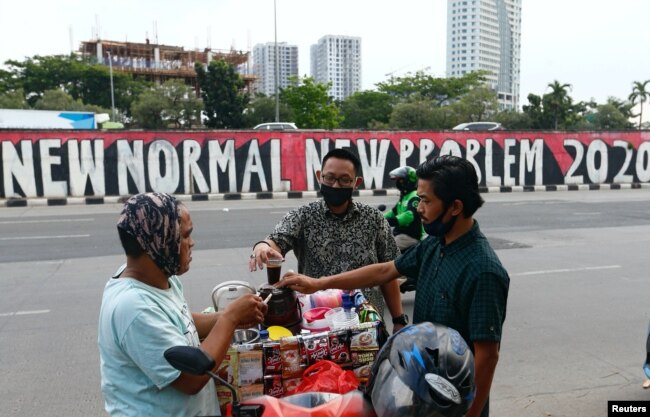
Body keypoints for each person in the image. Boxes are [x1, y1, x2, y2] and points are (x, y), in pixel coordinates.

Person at [277, 155, 510, 417]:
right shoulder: (436, 244)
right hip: (424, 393)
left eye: (425, 200)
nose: (419, 207)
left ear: (455, 207)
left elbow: (487, 357)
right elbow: (385, 270)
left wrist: (470, 414)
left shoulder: (483, 271)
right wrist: (319, 283)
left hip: (453, 404)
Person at [98, 192, 267, 417]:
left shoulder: (160, 278)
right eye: (185, 236)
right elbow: (191, 379)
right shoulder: (133, 307)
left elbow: (179, 320)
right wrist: (230, 318)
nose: (192, 243)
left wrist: (233, 315)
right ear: (159, 243)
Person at [249, 148, 408, 331]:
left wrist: (398, 319)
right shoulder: (304, 216)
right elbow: (277, 239)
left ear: (356, 183)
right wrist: (262, 246)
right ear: (320, 176)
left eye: (344, 180)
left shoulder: (374, 219)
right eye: (330, 178)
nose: (336, 186)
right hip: (319, 327)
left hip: (367, 326)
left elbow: (387, 273)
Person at [384, 166, 424, 251]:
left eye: (401, 180)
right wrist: (378, 217)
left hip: (411, 235)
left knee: (386, 250)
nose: (398, 182)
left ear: (409, 180)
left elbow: (409, 216)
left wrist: (391, 221)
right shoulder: (405, 196)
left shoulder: (414, 196)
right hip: (402, 234)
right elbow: (392, 212)